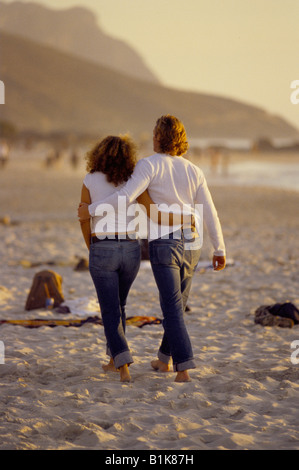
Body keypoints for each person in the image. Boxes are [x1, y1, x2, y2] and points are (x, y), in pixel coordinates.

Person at [79, 115, 226, 383]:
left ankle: (183, 369)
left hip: (164, 243)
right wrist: (219, 248)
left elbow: (126, 196)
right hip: (193, 241)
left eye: (154, 133)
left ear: (158, 137)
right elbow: (210, 210)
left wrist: (89, 210)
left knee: (171, 307)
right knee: (178, 306)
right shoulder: (194, 170)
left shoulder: (148, 165)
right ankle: (163, 359)